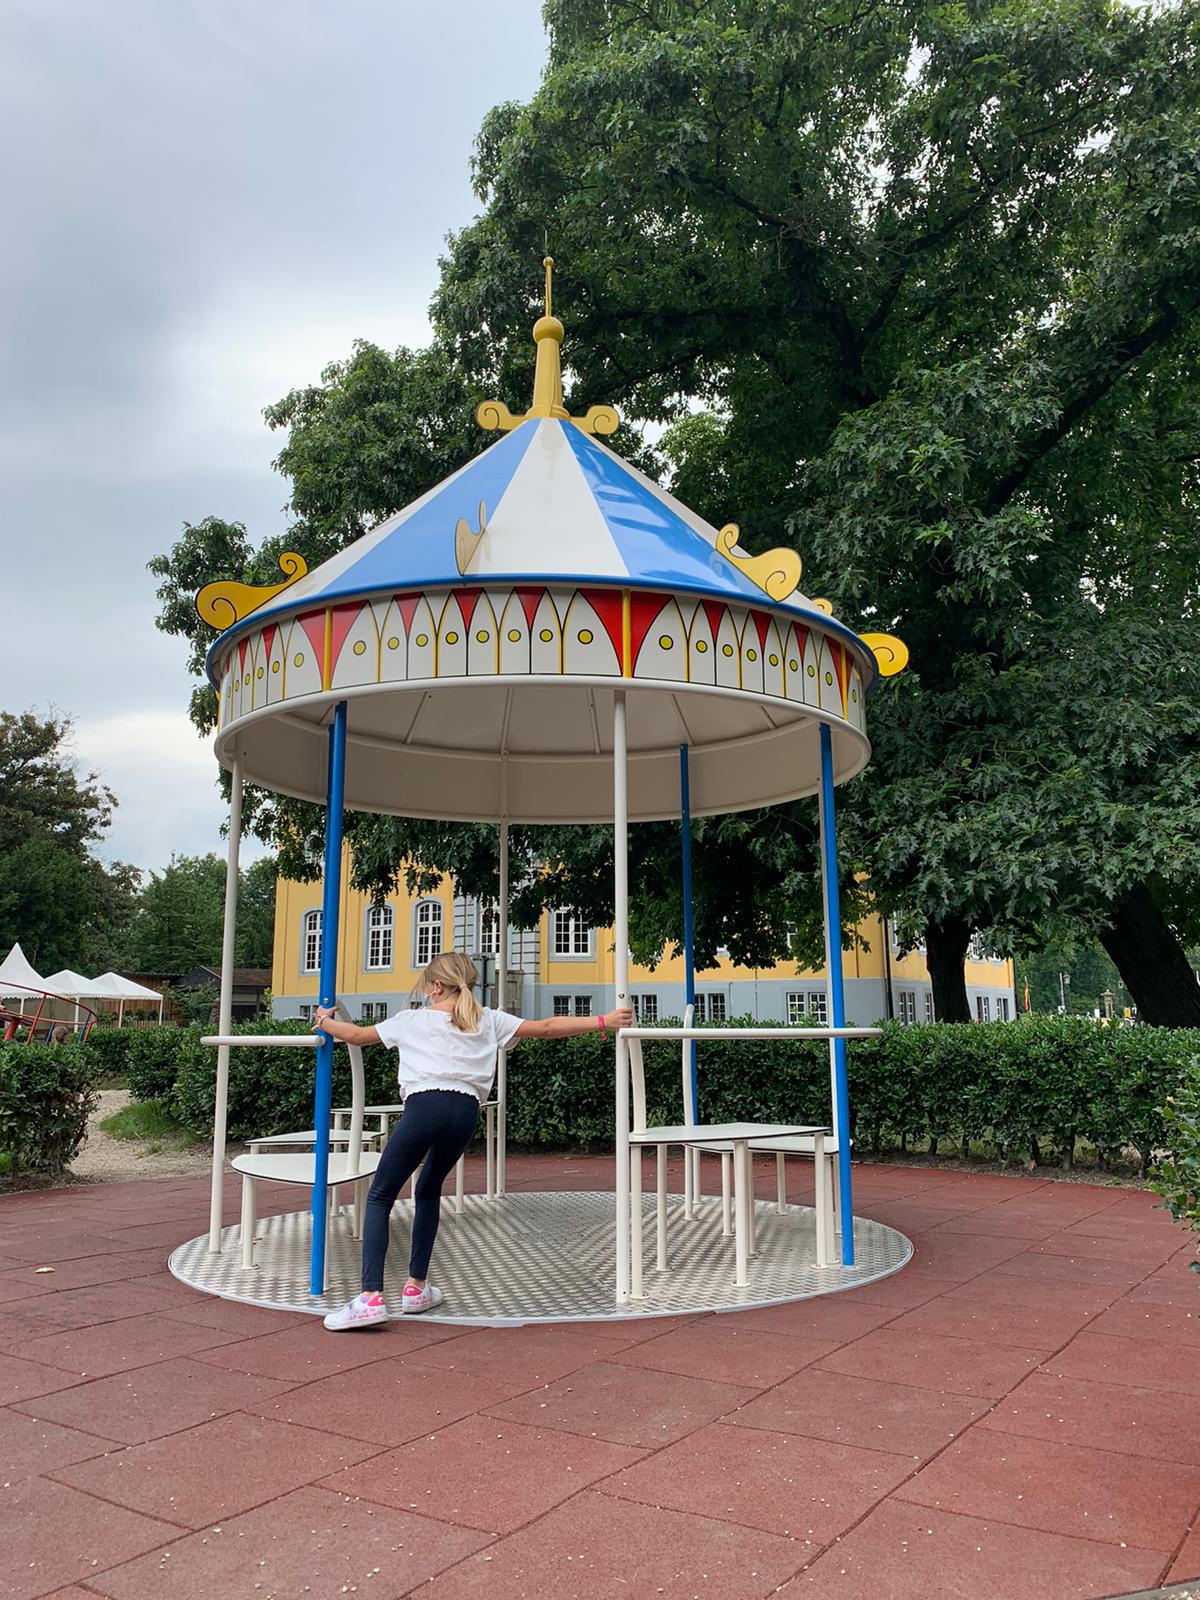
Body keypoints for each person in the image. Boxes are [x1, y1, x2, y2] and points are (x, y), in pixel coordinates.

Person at [314, 950, 632, 1329]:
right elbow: (547, 1027)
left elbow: (355, 1036)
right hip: (465, 1113)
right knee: (428, 1189)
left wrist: (324, 1021)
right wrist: (604, 1020)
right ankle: (416, 1288)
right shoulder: (488, 1019)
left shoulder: (410, 1020)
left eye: (426, 986)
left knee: (381, 1195)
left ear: (435, 987)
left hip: (425, 1106)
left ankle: (370, 1297)